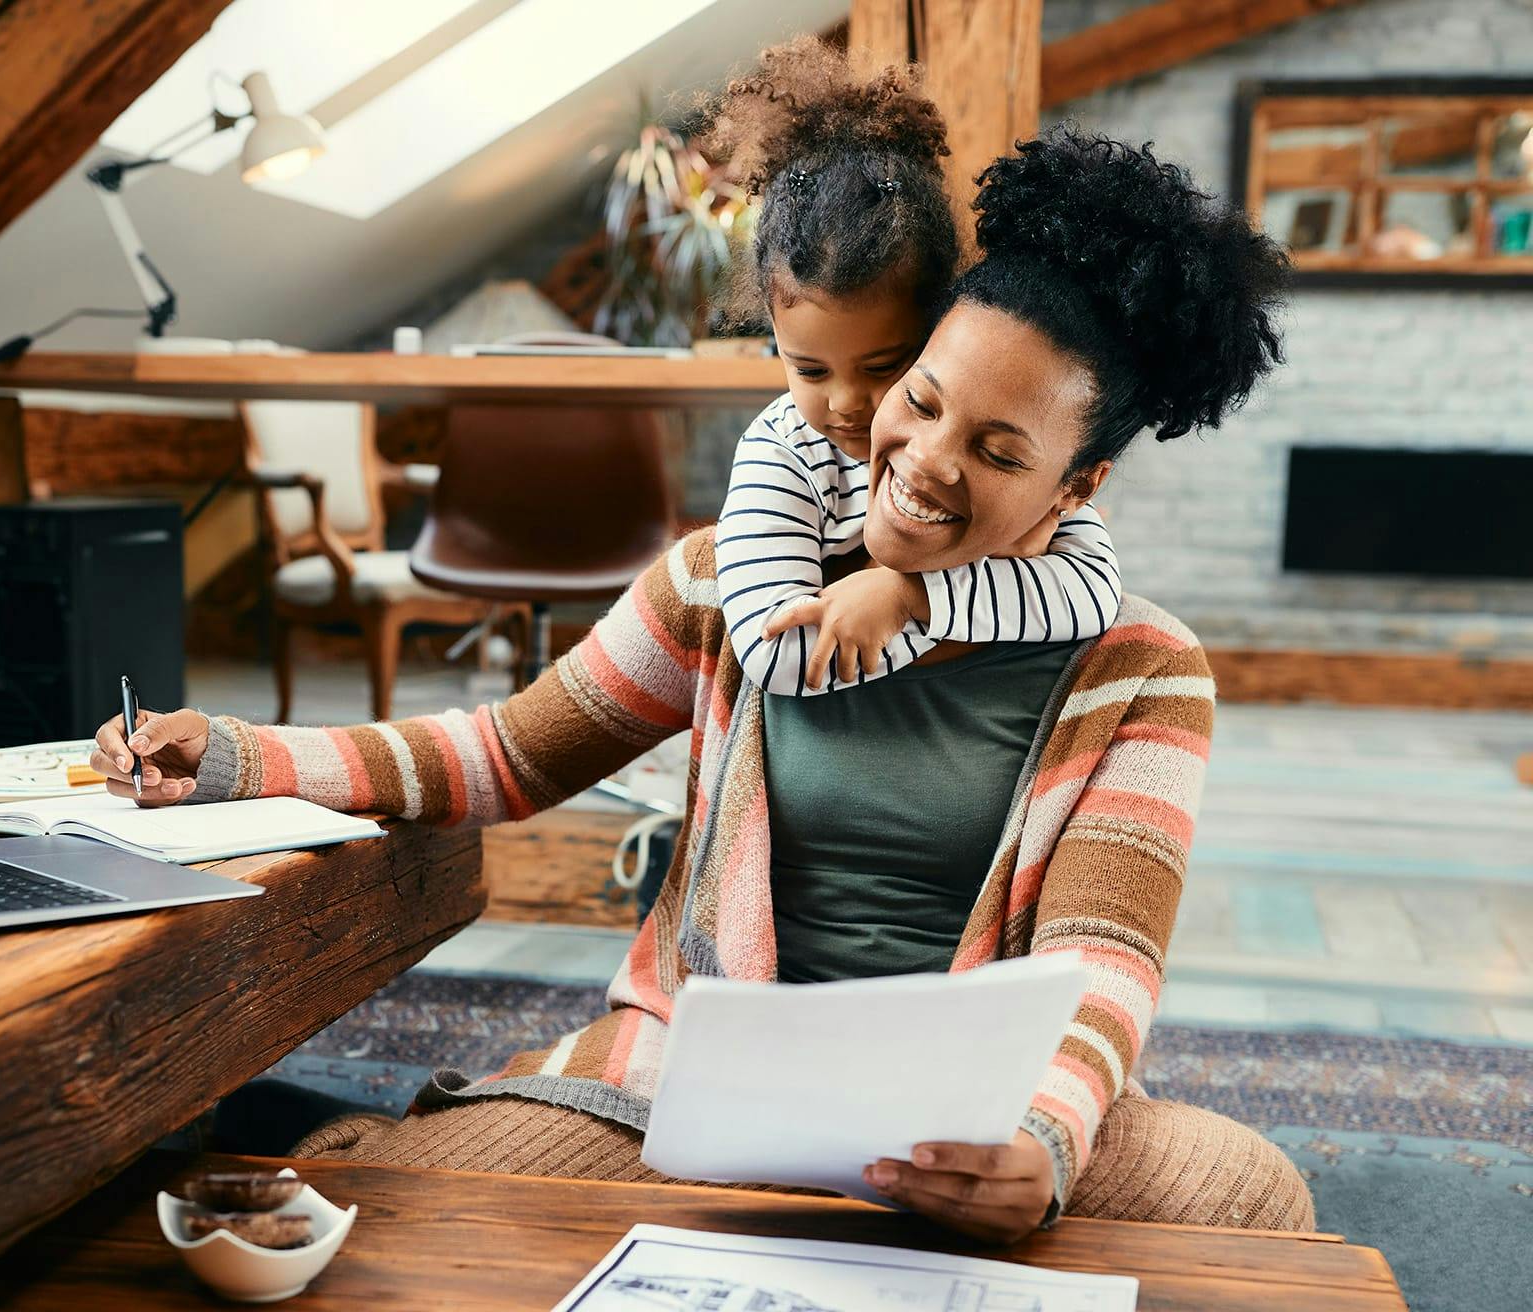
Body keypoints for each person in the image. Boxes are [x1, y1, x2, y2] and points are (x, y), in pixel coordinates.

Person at [91, 126, 1308, 1243]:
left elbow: (1106, 963)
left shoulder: (1143, 670)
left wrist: (1042, 1140)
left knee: (1258, 1202)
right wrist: (245, 758)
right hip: (694, 1087)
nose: (924, 462)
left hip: (969, 1116)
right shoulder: (728, 587)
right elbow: (502, 754)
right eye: (919, 399)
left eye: (997, 451)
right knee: (395, 1203)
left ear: (1075, 488)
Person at [705, 40, 1121, 695]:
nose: (845, 402)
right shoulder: (782, 455)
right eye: (809, 370)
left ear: (937, 331)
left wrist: (907, 599)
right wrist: (944, 598)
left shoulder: (1022, 482)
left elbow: (1092, 593)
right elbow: (780, 655)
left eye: (885, 366)